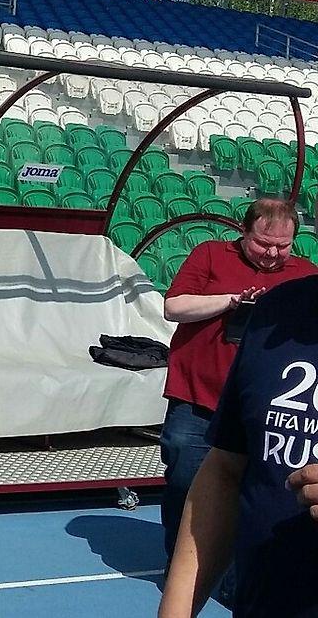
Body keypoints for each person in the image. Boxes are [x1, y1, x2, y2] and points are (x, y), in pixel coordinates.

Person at [158, 198, 317, 580]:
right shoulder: (210, 255)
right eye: (263, 243)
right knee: (183, 477)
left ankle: (234, 571)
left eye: (282, 246)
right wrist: (232, 302)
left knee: (259, 489)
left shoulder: (306, 273)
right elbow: (174, 306)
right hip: (199, 397)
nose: (272, 254)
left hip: (263, 407)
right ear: (244, 232)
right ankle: (181, 563)